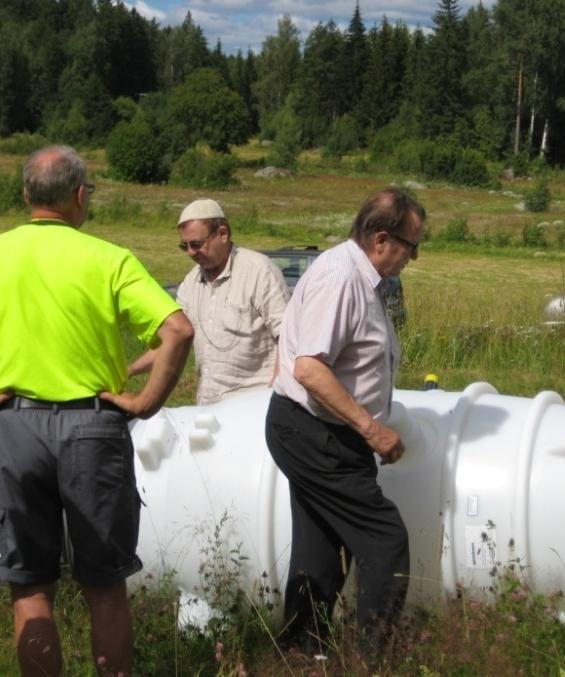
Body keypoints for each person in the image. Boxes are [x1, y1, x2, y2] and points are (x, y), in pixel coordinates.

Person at [0, 145, 193, 676]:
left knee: (29, 587)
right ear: (79, 196)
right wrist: (144, 402)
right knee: (104, 586)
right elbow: (178, 330)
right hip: (93, 427)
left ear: (25, 195)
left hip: (15, 426)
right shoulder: (109, 258)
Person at [264, 187, 425, 659]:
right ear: (381, 239)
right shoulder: (341, 279)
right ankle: (372, 658)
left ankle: (299, 650)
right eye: (410, 246)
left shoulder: (355, 275)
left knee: (321, 550)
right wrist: (372, 429)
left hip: (315, 430)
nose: (412, 259)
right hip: (316, 434)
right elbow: (310, 369)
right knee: (384, 540)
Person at [129, 199, 288, 405]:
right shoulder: (190, 283)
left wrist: (274, 401)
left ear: (223, 234)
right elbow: (173, 343)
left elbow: (287, 340)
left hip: (254, 406)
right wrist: (129, 371)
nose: (190, 253)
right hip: (208, 407)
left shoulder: (260, 271)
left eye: (196, 244)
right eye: (184, 246)